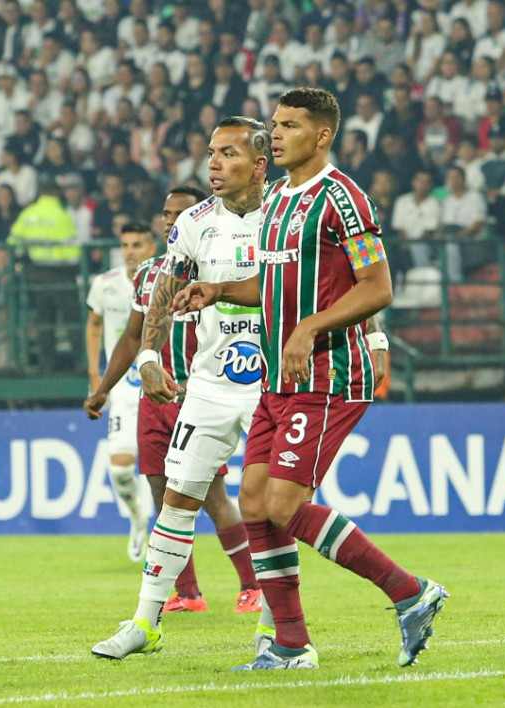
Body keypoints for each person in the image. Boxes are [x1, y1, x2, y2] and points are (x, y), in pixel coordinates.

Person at [173, 88, 446, 671]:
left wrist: (308, 330)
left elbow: (378, 287)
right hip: (278, 377)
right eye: (274, 124)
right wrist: (219, 289)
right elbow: (271, 285)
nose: (276, 134)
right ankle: (291, 645)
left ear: (321, 135)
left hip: (327, 372)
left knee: (284, 502)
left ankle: (410, 592)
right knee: (253, 502)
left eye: (290, 125)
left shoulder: (345, 199)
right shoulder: (276, 200)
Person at [91, 116, 270, 660]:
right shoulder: (193, 221)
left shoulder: (287, 213)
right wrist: (147, 356)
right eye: (211, 153)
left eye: (228, 153)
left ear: (260, 164)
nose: (213, 163)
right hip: (211, 381)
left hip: (274, 378)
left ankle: (274, 623)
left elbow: (309, 283)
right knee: (176, 498)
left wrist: (373, 341)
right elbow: (164, 287)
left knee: (268, 505)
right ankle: (146, 622)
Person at [84, 222, 155, 563]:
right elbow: (94, 324)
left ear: (151, 246)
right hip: (123, 385)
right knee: (121, 468)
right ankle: (138, 517)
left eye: (137, 244)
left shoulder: (165, 279)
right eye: (125, 244)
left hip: (161, 381)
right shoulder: (105, 284)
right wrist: (95, 374)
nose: (130, 251)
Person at [7, 172, 82, 373]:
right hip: (63, 274)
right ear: (56, 192)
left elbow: (13, 243)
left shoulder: (28, 214)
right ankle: (80, 363)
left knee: (44, 321)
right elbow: (74, 252)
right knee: (72, 320)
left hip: (37, 273)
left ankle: (47, 364)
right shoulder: (62, 214)